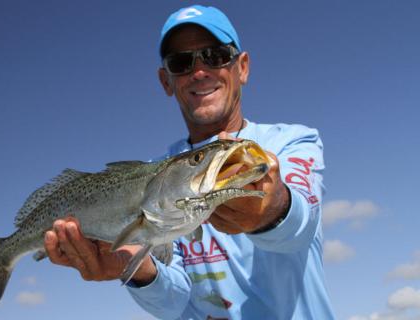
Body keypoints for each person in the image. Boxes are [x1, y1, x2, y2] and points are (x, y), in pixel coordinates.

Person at [44, 5, 335, 320]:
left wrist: (275, 207)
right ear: (166, 81)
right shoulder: (156, 179)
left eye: (215, 55)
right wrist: (136, 269)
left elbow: (301, 227)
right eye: (181, 63)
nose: (199, 72)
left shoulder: (294, 142)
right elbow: (174, 301)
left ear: (243, 67)